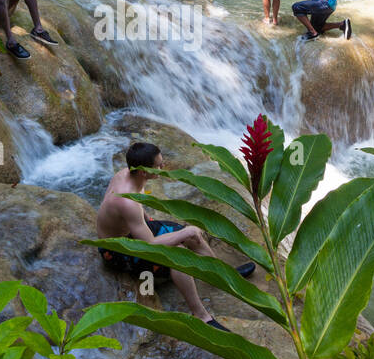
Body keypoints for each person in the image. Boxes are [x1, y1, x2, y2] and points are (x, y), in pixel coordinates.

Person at [95, 142, 256, 331]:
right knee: (179, 254)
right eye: (159, 165)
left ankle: (223, 276)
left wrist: (150, 220)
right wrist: (184, 232)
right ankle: (201, 316)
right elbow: (150, 243)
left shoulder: (127, 173)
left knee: (192, 236)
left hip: (137, 229)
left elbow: (137, 206)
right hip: (117, 249)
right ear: (143, 171)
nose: (163, 167)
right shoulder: (126, 201)